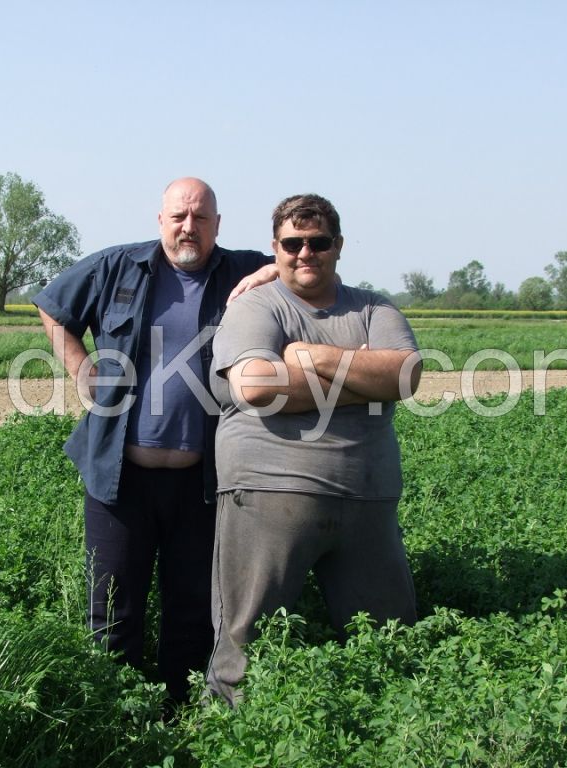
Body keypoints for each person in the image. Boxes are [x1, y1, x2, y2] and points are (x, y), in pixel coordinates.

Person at [32, 177, 276, 705]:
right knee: (112, 605)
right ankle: (113, 715)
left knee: (191, 607)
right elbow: (51, 307)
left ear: (217, 224)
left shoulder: (238, 270)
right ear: (160, 220)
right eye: (179, 216)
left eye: (201, 218)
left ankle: (177, 716)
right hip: (120, 479)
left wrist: (271, 270)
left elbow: (300, 262)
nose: (189, 227)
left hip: (202, 482)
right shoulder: (117, 267)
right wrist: (80, 369)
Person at [205, 193, 422, 706]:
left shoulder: (374, 307)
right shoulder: (256, 305)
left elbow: (407, 375)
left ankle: (389, 737)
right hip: (267, 493)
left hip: (367, 497)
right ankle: (230, 737)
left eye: (318, 242)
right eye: (293, 243)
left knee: (387, 639)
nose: (306, 253)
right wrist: (363, 379)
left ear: (338, 246)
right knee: (246, 638)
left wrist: (312, 355)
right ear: (275, 248)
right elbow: (256, 385)